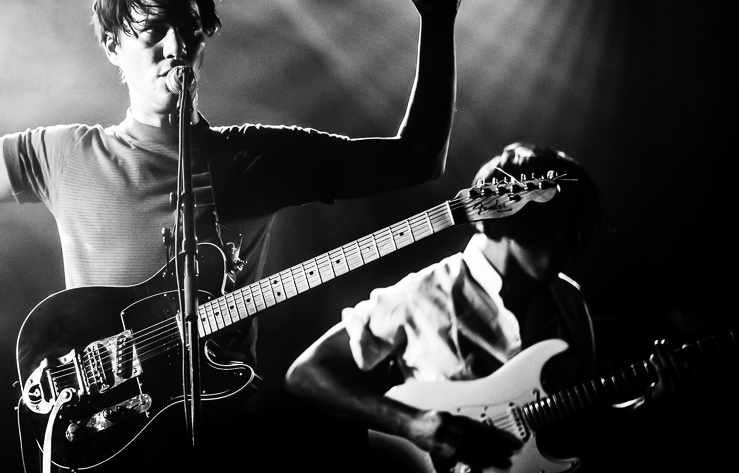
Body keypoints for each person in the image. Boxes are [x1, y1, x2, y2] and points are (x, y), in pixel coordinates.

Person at [0, 0, 472, 469]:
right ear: (113, 46)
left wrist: (437, 22)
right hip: (106, 435)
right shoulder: (65, 154)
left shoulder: (256, 156)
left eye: (191, 28)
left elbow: (418, 158)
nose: (176, 46)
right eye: (153, 29)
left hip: (227, 433)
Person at [285, 142, 687, 472]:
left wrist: (651, 403)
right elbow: (305, 373)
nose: (579, 244)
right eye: (569, 229)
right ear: (516, 221)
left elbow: (585, 425)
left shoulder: (568, 297)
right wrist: (413, 424)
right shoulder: (421, 294)